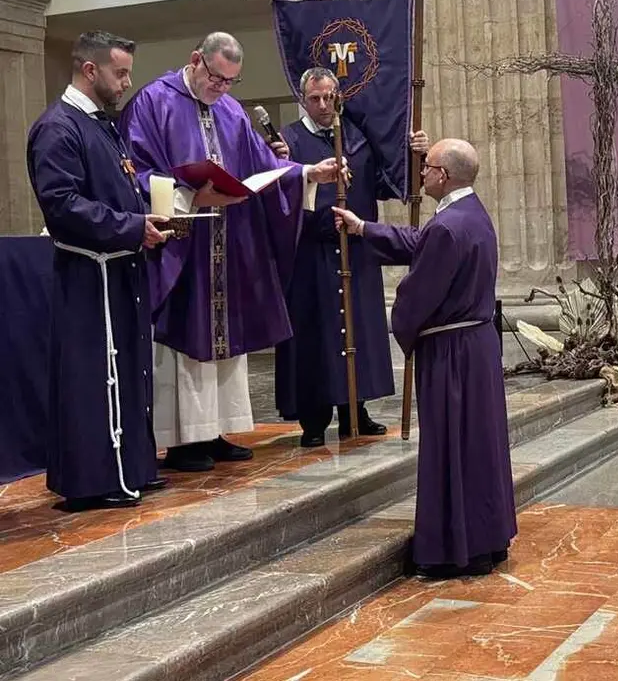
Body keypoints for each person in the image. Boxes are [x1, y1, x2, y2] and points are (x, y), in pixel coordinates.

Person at [118, 32, 342, 473]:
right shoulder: (152, 102)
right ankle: (183, 440)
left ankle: (216, 430)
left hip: (227, 242)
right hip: (182, 245)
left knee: (224, 336)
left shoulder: (231, 110)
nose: (222, 89)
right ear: (196, 59)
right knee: (187, 336)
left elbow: (262, 164)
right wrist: (188, 195)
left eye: (231, 82)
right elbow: (135, 171)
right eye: (217, 79)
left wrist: (305, 172)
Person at [333, 138, 516, 578]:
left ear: (444, 176)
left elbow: (418, 294)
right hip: (477, 346)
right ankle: (486, 540)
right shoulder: (471, 214)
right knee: (477, 447)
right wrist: (364, 228)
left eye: (427, 166)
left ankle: (456, 550)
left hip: (451, 354)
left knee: (451, 446)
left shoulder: (448, 227)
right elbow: (420, 242)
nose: (421, 174)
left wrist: (403, 321)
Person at [26, 31, 172, 510]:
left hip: (120, 269)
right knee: (95, 375)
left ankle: (132, 467)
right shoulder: (58, 128)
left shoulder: (101, 126)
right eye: (120, 72)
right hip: (89, 276)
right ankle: (94, 479)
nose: (127, 82)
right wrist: (132, 226)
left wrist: (143, 221)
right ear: (91, 71)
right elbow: (63, 206)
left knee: (129, 371)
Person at [274, 67, 430, 446]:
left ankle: (354, 410)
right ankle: (313, 420)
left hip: (356, 249)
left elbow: (387, 182)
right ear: (303, 98)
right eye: (315, 99)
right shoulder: (288, 141)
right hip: (310, 253)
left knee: (356, 329)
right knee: (315, 334)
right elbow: (275, 191)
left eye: (330, 96)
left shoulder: (357, 137)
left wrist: (416, 154)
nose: (324, 105)